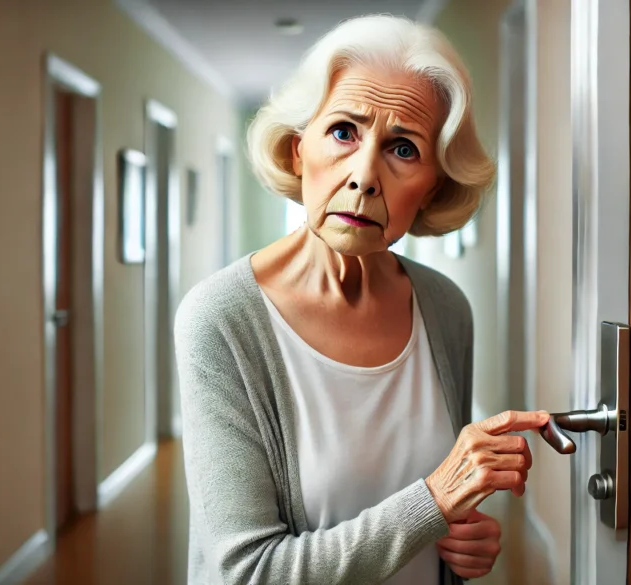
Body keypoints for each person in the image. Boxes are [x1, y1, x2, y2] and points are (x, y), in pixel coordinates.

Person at [174, 14, 551, 585]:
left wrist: (461, 540)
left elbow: (433, 519)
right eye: (344, 132)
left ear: (434, 187)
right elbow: (248, 574)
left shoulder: (446, 310)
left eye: (403, 148)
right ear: (299, 151)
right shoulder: (220, 320)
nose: (364, 176)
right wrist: (434, 501)